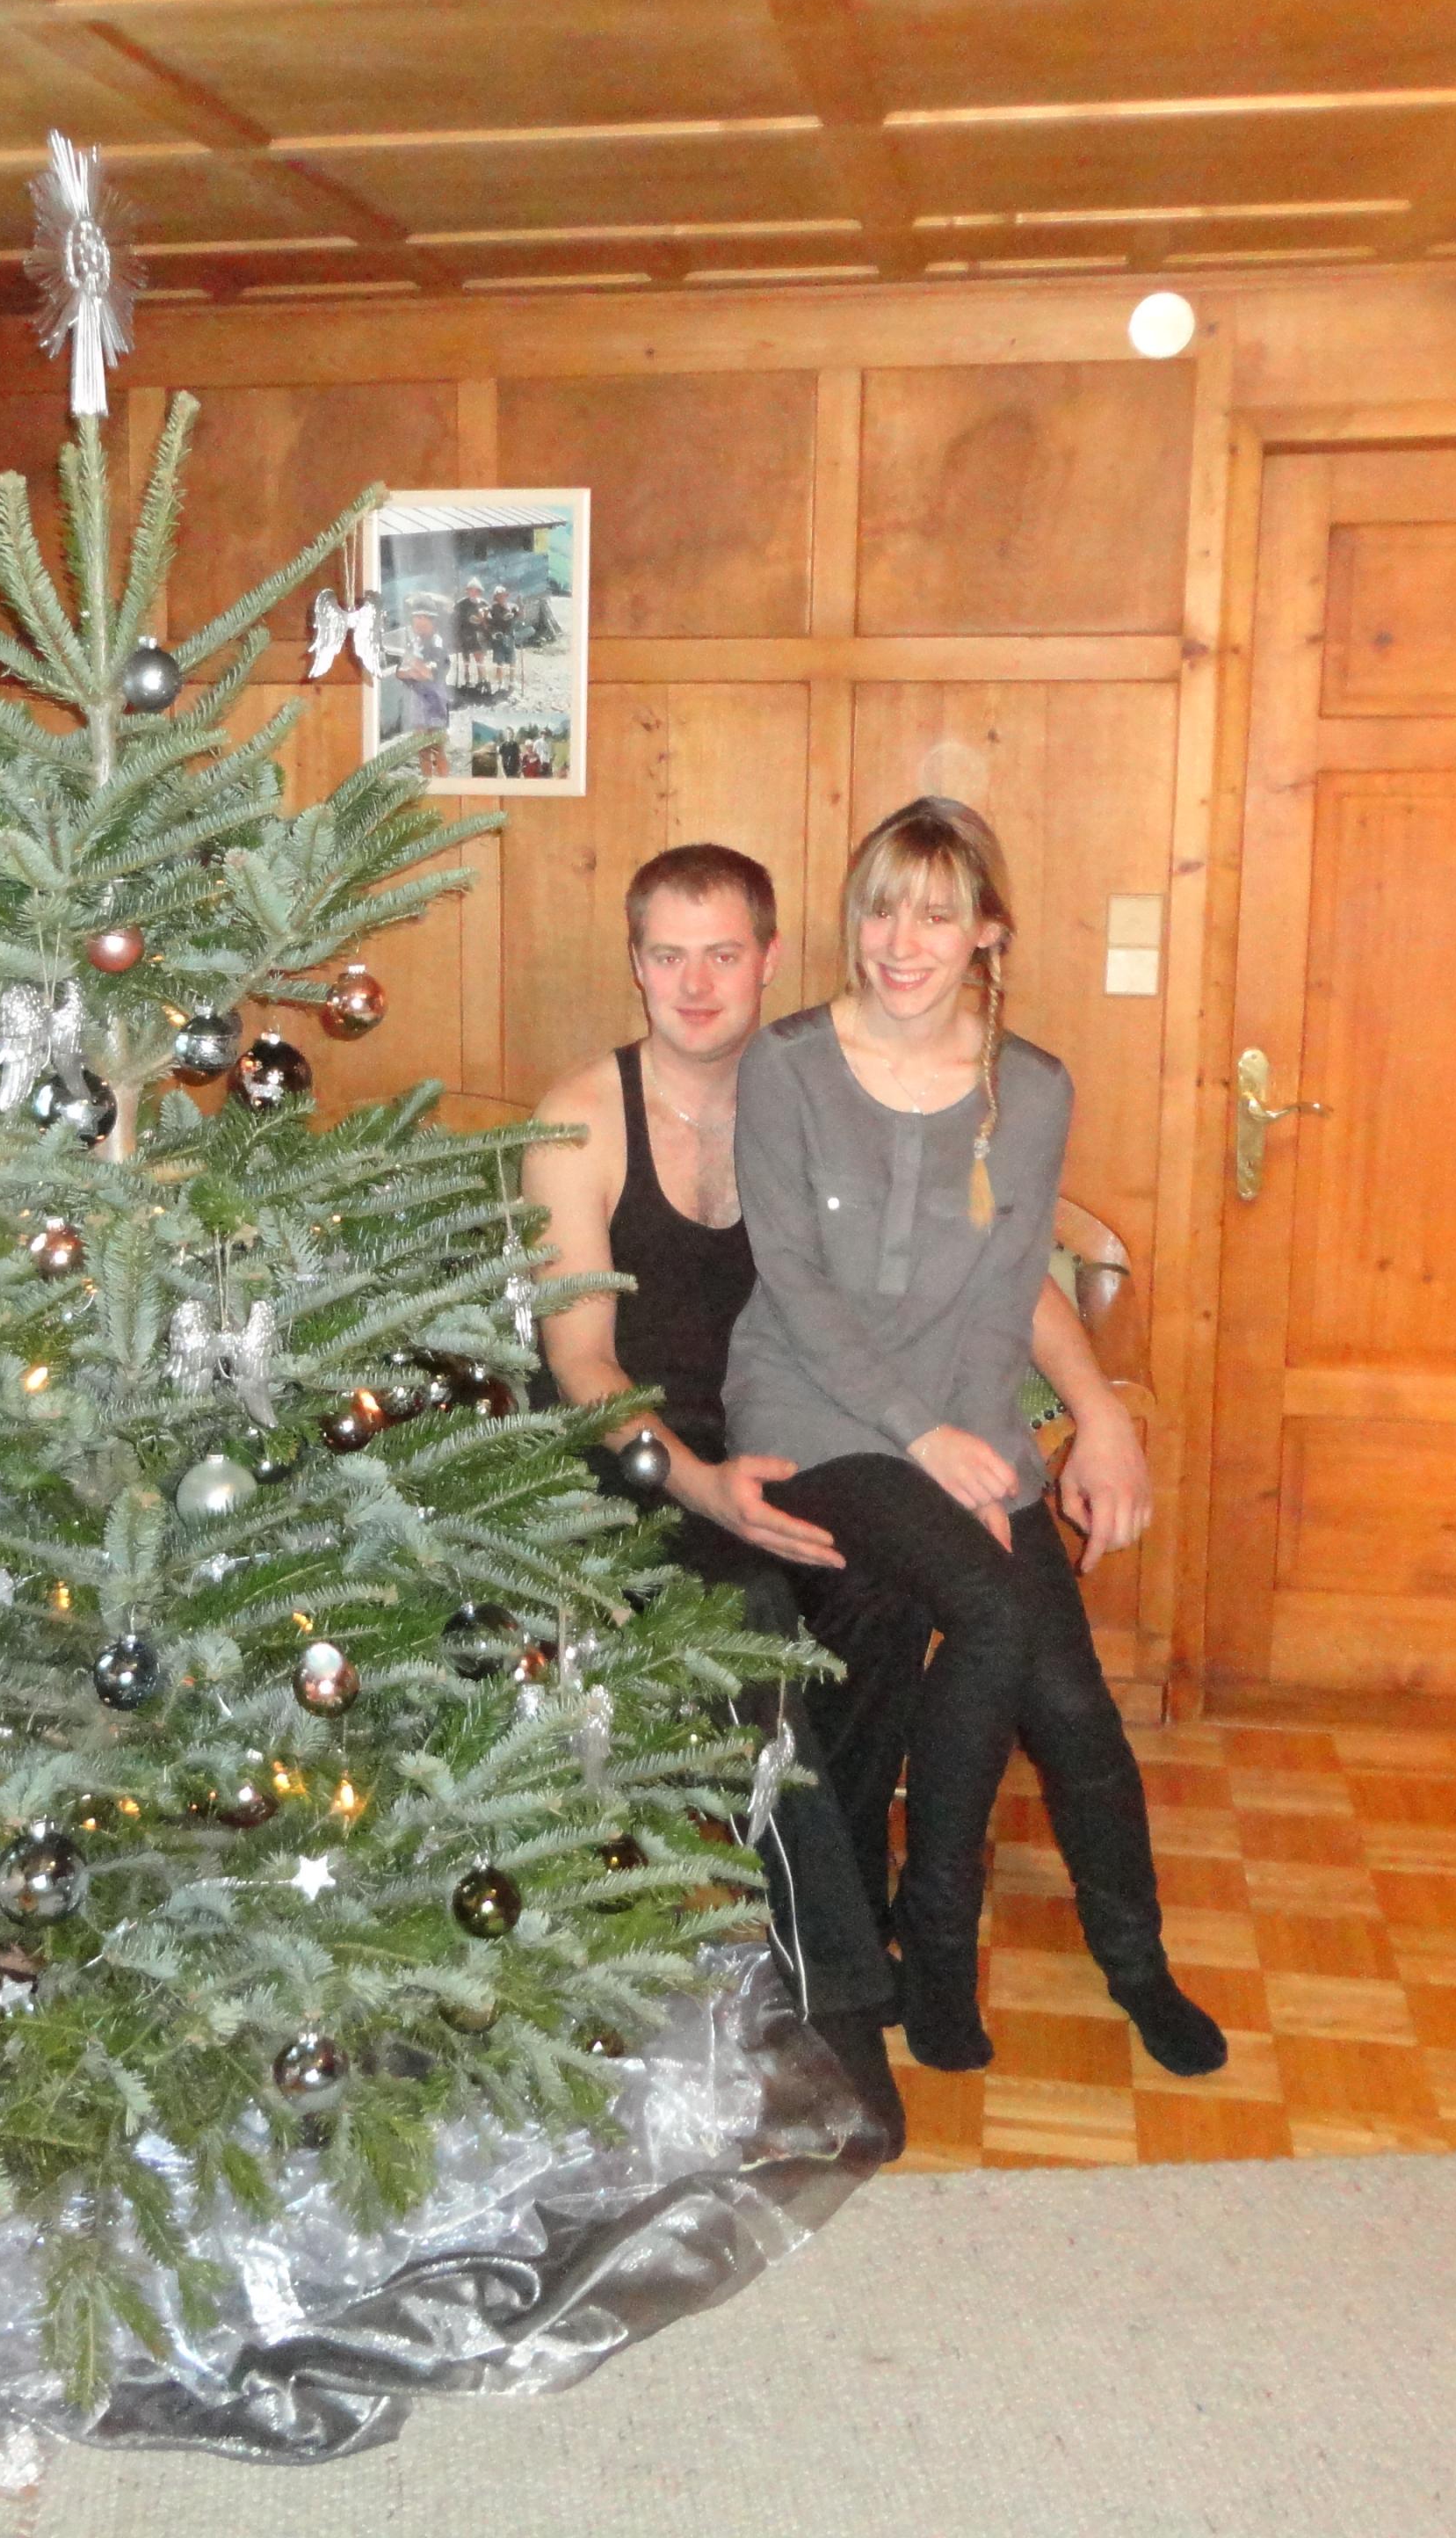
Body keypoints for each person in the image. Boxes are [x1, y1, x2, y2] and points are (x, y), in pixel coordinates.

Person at [729, 799, 1228, 2078]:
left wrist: (985, 1444)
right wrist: (922, 1440)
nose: (901, 942)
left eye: (937, 915)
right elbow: (792, 1283)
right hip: (814, 1414)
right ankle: (936, 1947)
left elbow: (1008, 1293)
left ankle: (1137, 1962)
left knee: (1070, 1699)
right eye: (882, 910)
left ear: (987, 933)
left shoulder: (1032, 1088)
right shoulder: (787, 1065)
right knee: (994, 1613)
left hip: (963, 1413)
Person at [523, 843, 928, 2155]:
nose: (694, 985)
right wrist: (701, 1484)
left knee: (887, 1595)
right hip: (631, 1458)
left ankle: (837, 1901)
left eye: (722, 954)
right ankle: (843, 2002)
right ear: (635, 965)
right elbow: (580, 1366)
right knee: (750, 1613)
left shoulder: (817, 1102)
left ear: (768, 961)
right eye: (668, 956)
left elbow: (917, 1283)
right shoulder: (581, 1120)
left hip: (785, 1436)